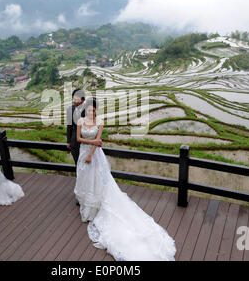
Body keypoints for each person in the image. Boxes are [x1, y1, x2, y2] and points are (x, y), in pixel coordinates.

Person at [74, 99, 176, 261]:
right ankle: (88, 208)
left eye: (93, 110)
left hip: (94, 155)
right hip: (82, 153)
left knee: (99, 182)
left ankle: (97, 207)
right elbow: (79, 139)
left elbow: (98, 142)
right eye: (89, 110)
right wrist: (93, 142)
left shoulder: (100, 122)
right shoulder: (80, 120)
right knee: (85, 181)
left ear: (96, 111)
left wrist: (91, 153)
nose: (91, 112)